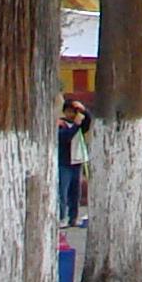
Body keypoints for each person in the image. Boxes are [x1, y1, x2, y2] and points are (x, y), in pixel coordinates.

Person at [55, 93, 91, 225]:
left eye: (74, 112)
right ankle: (61, 217)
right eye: (69, 112)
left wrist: (83, 110)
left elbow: (88, 121)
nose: (71, 115)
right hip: (64, 162)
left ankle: (73, 217)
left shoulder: (80, 125)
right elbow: (65, 138)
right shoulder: (61, 124)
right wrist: (75, 125)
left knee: (75, 193)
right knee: (62, 192)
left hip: (77, 162)